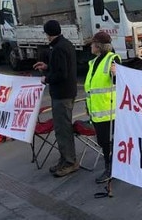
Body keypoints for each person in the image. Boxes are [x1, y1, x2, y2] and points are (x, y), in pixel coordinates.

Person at [33, 20, 79, 178]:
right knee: (61, 128)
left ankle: (69, 161)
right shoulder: (65, 44)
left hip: (62, 94)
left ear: (48, 33)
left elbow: (61, 74)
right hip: (66, 92)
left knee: (63, 129)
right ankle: (65, 158)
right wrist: (47, 67)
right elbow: (61, 67)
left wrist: (46, 78)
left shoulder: (58, 48)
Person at [84, 31, 120, 184]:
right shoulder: (94, 62)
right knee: (103, 142)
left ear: (98, 46)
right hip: (97, 111)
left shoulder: (113, 59)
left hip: (109, 112)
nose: (91, 46)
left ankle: (111, 168)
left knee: (108, 142)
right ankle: (111, 166)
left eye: (92, 44)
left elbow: (120, 82)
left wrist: (117, 74)